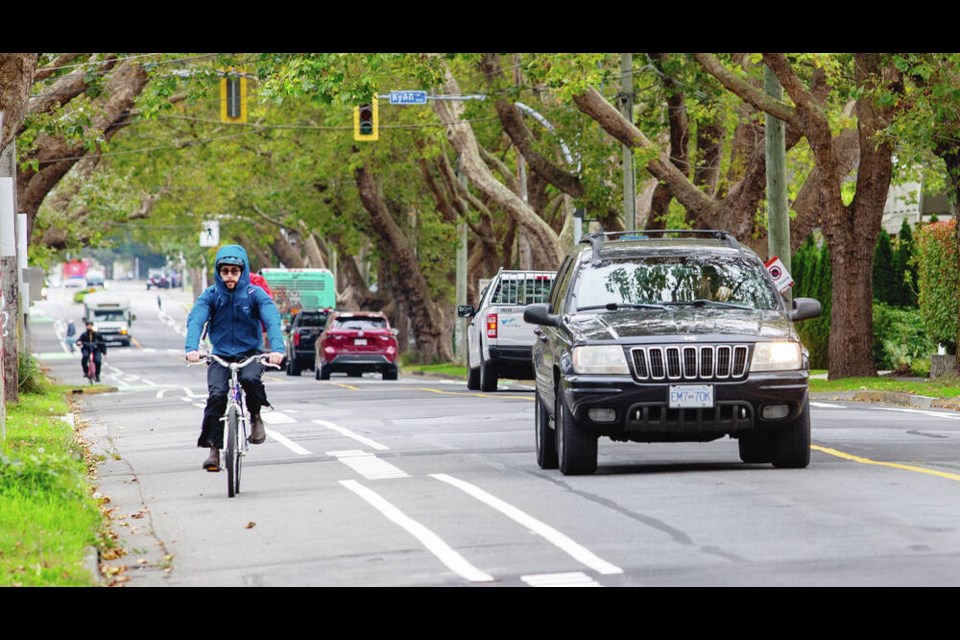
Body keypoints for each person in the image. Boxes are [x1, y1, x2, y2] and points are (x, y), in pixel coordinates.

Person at [185, 245, 285, 472]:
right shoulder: (211, 296)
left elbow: (272, 321)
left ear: (243, 271)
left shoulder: (255, 295)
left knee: (251, 380)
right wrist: (192, 347)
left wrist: (277, 349)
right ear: (219, 273)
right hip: (220, 355)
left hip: (250, 353)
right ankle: (214, 450)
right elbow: (196, 321)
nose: (230, 276)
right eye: (225, 271)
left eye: (234, 271)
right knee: (217, 396)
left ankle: (256, 416)